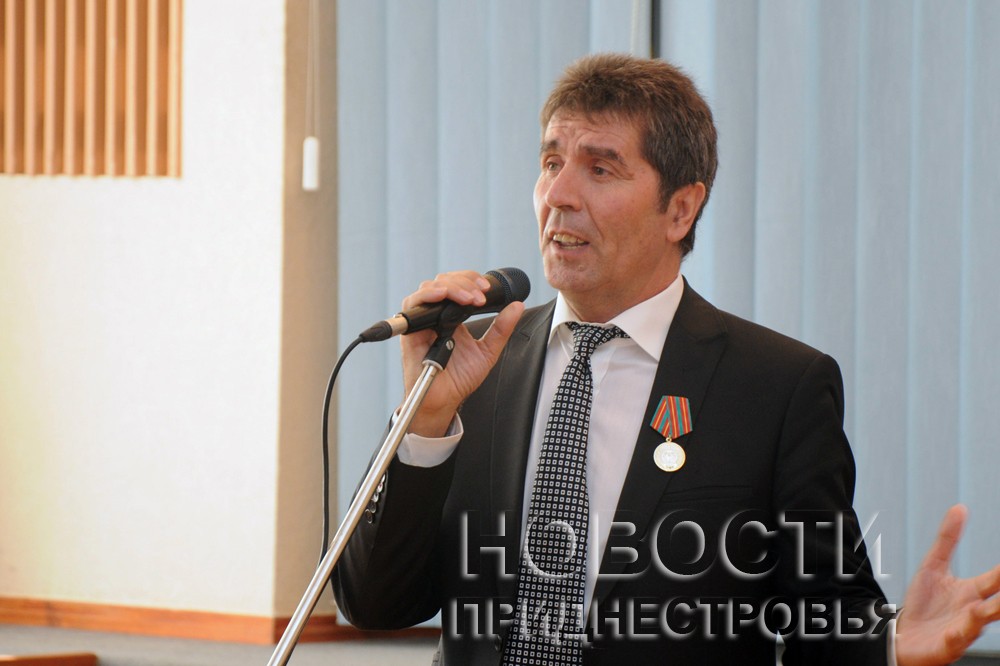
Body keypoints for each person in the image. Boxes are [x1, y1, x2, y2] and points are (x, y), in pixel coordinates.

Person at [332, 53, 1000, 665]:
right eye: (551, 162)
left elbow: (822, 618)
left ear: (680, 209)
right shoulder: (473, 363)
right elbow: (375, 602)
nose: (559, 195)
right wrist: (425, 424)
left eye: (600, 169)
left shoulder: (776, 389)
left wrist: (887, 644)